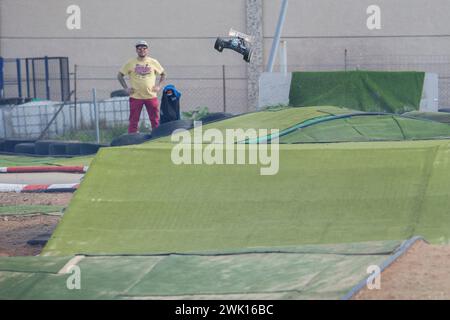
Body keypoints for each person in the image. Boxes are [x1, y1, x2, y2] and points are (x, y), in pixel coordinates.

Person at [117, 40, 166, 133]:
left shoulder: (153, 62)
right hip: (136, 96)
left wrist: (159, 86)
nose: (142, 50)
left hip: (151, 96)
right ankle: (132, 139)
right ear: (136, 50)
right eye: (139, 48)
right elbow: (119, 75)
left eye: (144, 48)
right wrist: (126, 88)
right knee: (133, 121)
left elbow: (163, 74)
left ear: (147, 50)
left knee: (155, 120)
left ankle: (156, 137)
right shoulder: (130, 62)